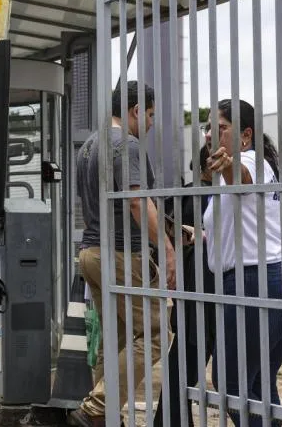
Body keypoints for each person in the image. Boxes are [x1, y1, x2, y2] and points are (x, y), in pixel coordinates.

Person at [68, 81, 176, 427]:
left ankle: (103, 419)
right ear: (134, 111)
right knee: (158, 335)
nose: (149, 124)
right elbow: (135, 201)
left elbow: (91, 207)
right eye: (149, 115)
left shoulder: (88, 146)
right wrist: (167, 249)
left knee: (113, 340)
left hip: (91, 252)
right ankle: (97, 405)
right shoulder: (125, 145)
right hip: (121, 255)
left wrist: (175, 230)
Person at [202, 99, 282, 427]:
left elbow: (242, 176)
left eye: (220, 128)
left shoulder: (250, 161)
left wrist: (228, 164)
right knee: (258, 383)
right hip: (277, 277)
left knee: (230, 384)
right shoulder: (249, 167)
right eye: (208, 128)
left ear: (245, 135)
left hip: (256, 281)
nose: (209, 135)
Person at [151, 142, 216, 427]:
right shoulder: (208, 197)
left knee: (185, 363)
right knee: (188, 365)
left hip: (188, 291)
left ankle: (168, 420)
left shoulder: (185, 196)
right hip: (204, 292)